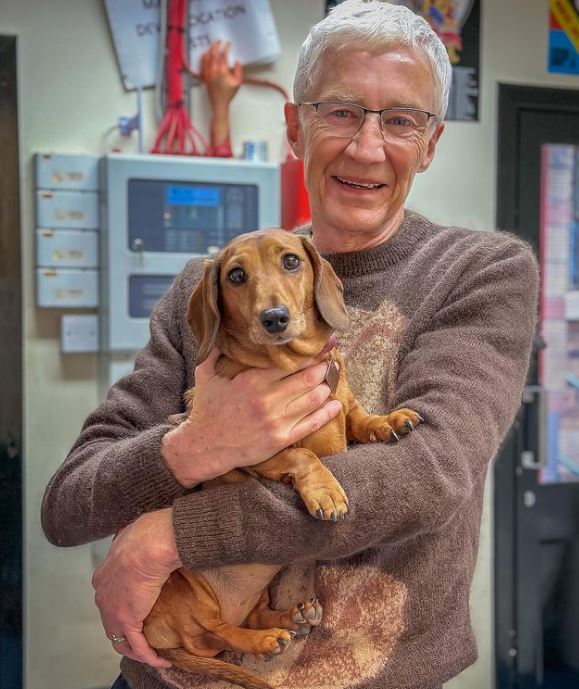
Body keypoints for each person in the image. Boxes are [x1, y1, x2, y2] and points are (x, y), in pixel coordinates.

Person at [41, 2, 540, 689]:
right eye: (339, 111)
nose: (366, 146)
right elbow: (69, 503)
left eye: (399, 119)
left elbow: (426, 476)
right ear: (293, 126)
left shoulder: (478, 272)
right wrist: (193, 447)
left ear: (429, 144)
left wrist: (172, 537)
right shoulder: (209, 287)